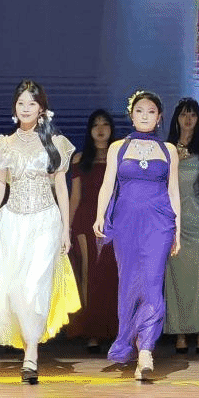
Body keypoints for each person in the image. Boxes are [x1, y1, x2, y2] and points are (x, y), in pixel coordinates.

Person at [0, 80, 80, 384]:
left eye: (32, 103)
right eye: (21, 103)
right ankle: (29, 347)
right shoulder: (4, 144)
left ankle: (31, 355)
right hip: (12, 222)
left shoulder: (55, 143)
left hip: (45, 220)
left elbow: (61, 188)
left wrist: (66, 230)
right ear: (14, 108)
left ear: (42, 109)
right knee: (13, 290)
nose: (26, 108)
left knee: (35, 286)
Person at [93, 90, 182, 381]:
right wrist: (99, 215)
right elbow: (107, 185)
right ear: (131, 116)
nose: (145, 116)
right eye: (140, 111)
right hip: (126, 222)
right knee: (130, 283)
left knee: (153, 283)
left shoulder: (168, 150)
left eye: (151, 111)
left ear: (159, 117)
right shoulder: (118, 147)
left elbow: (173, 191)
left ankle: (145, 350)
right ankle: (130, 340)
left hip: (160, 222)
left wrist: (178, 230)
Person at [164, 97, 199, 355]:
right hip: (173, 219)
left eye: (193, 115)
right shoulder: (166, 149)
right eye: (184, 114)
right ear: (176, 118)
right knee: (175, 276)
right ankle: (180, 334)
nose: (188, 119)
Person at [67, 109, 119, 352]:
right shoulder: (79, 159)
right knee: (90, 274)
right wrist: (66, 226)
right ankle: (92, 331)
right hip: (85, 221)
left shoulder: (119, 156)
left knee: (113, 274)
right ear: (89, 131)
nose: (100, 129)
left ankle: (115, 329)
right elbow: (75, 196)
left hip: (114, 221)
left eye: (105, 124)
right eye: (95, 124)